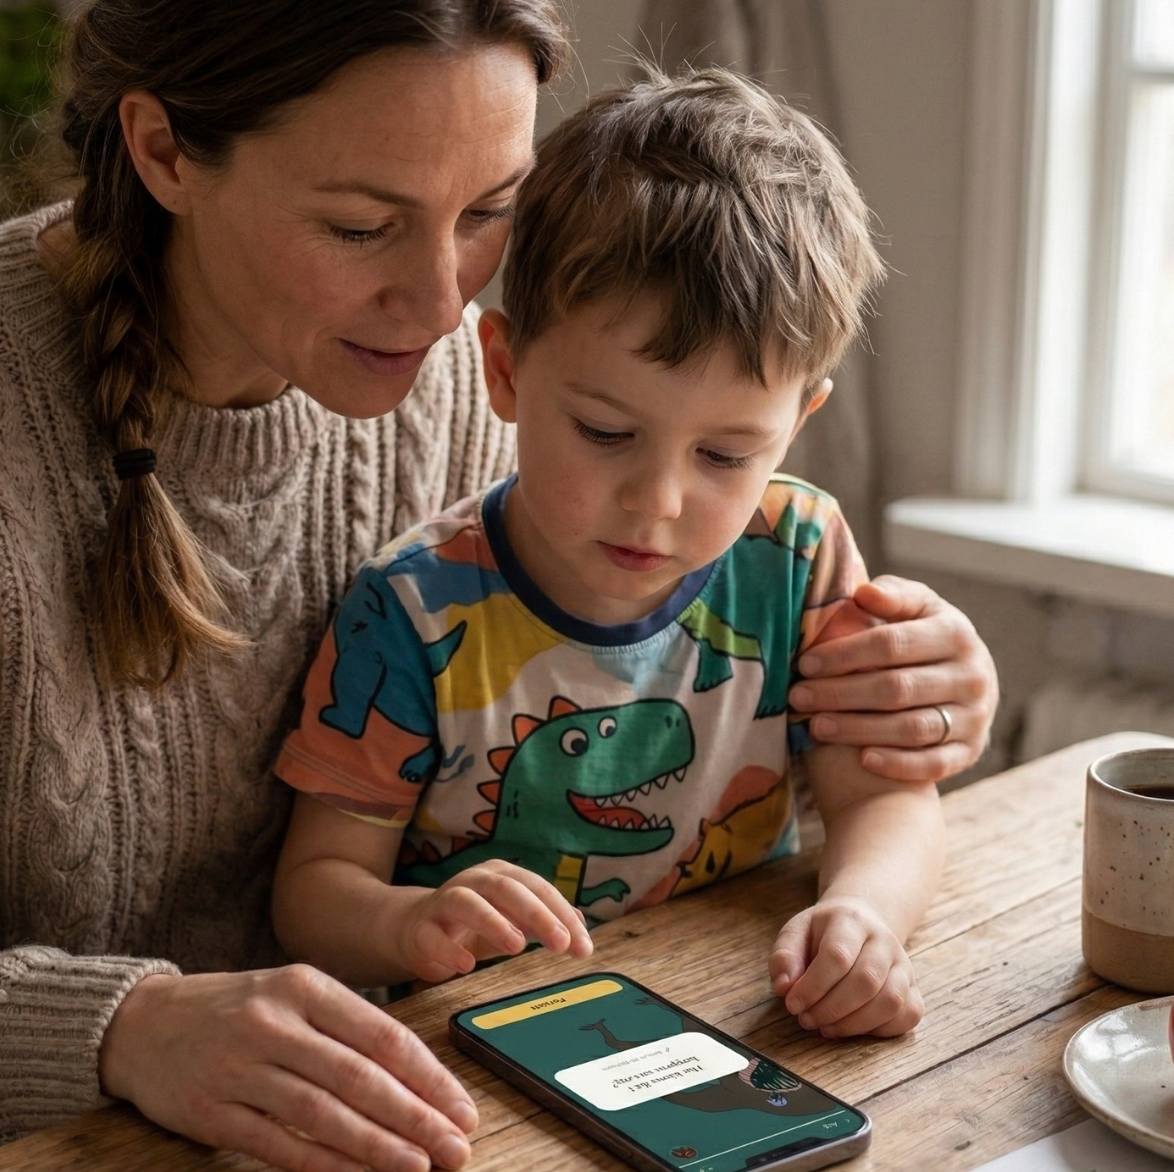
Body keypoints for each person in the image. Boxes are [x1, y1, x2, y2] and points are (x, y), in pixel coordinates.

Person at [0, 0, 995, 1172]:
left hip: (287, 1167)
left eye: (487, 212)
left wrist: (913, 686)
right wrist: (127, 1029)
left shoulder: (484, 383)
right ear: (167, 148)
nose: (442, 303)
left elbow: (698, 646)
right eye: (363, 225)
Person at [272, 69, 943, 1039]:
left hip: (738, 1014)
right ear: (504, 370)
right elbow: (315, 891)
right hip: (486, 1050)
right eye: (603, 431)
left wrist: (866, 914)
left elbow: (887, 795)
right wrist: (410, 922)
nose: (657, 502)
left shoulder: (796, 555)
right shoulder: (409, 611)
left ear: (798, 421)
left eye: (724, 454)